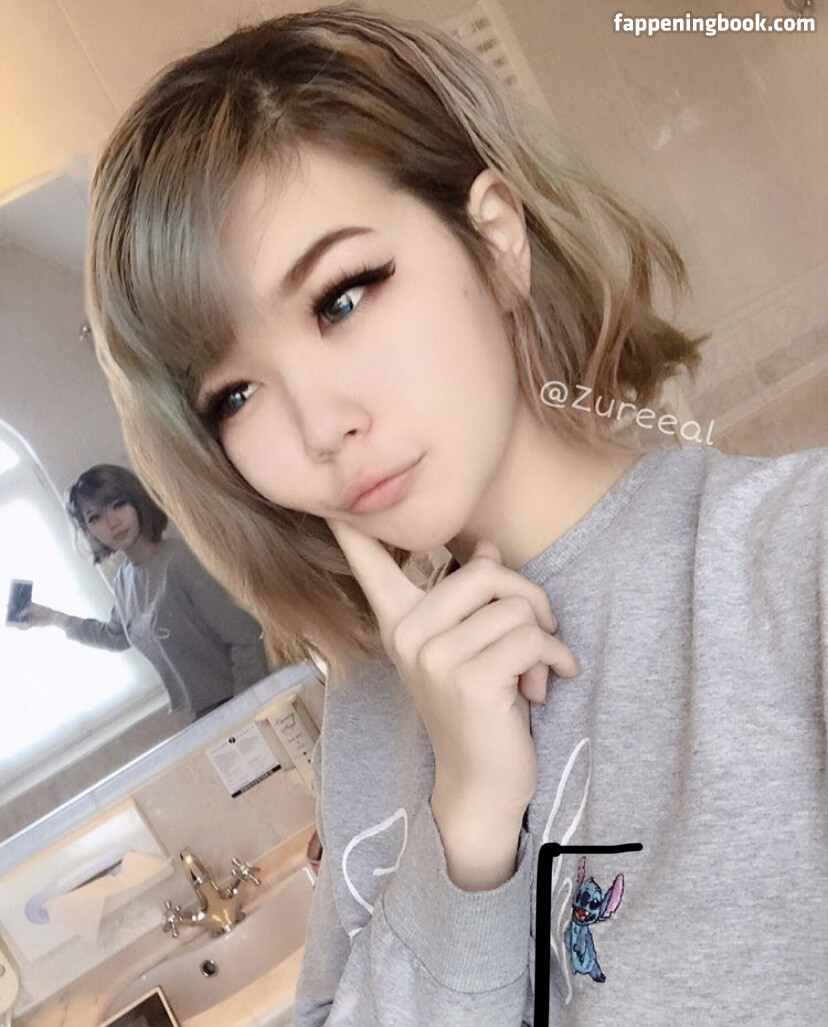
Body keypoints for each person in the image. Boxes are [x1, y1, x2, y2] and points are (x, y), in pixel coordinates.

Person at [81, 5, 827, 1025]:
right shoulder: (372, 704)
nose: (320, 426)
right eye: (235, 394)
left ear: (496, 241)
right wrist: (466, 834)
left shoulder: (789, 566)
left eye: (342, 298)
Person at [14, 464, 272, 719]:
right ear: (88, 530)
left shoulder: (183, 559)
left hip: (249, 702)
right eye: (95, 518)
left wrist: (245, 713)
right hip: (209, 712)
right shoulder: (124, 581)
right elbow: (115, 637)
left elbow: (247, 638)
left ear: (137, 501)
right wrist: (53, 618)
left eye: (118, 504)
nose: (112, 522)